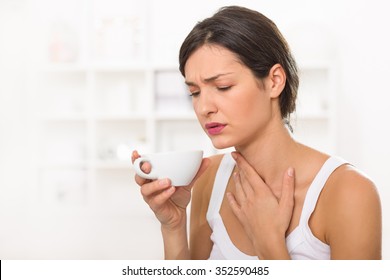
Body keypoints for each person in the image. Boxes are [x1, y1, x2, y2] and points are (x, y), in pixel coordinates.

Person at [131, 6, 382, 260]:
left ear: (274, 81)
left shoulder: (349, 193)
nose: (204, 107)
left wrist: (269, 243)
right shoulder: (209, 179)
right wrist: (172, 226)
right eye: (194, 93)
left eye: (223, 86)